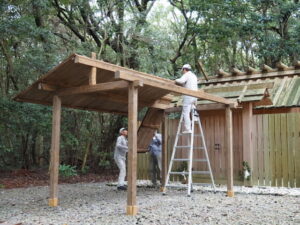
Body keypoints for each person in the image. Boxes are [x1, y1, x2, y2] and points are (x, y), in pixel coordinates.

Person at [175, 64, 198, 133]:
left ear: (184, 69)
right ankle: (196, 117)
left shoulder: (186, 75)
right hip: (195, 96)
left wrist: (175, 80)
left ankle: (188, 129)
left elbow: (181, 81)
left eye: (183, 70)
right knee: (192, 106)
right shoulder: (194, 76)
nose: (182, 71)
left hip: (188, 95)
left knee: (186, 112)